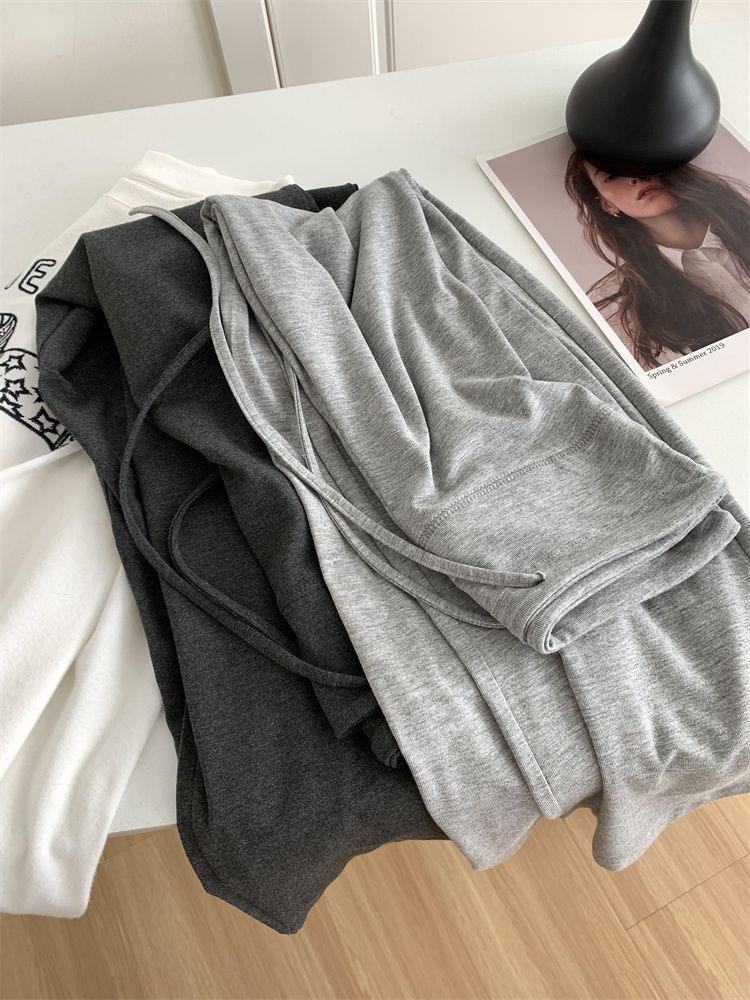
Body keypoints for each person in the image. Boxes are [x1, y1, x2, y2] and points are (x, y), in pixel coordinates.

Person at [564, 150, 750, 370]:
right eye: (611, 176)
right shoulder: (616, 307)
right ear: (607, 204)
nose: (635, 176)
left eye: (639, 159)